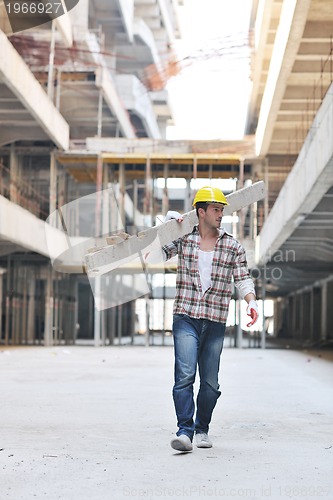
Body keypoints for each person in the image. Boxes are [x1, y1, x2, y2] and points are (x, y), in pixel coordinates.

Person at [162, 186, 259, 452]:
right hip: (186, 316)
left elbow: (242, 278)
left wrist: (251, 302)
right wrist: (168, 223)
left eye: (222, 210)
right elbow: (157, 251)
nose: (221, 215)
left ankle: (202, 428)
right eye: (216, 209)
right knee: (184, 376)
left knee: (210, 384)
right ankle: (185, 432)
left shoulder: (232, 246)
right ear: (201, 212)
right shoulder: (184, 239)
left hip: (215, 320)